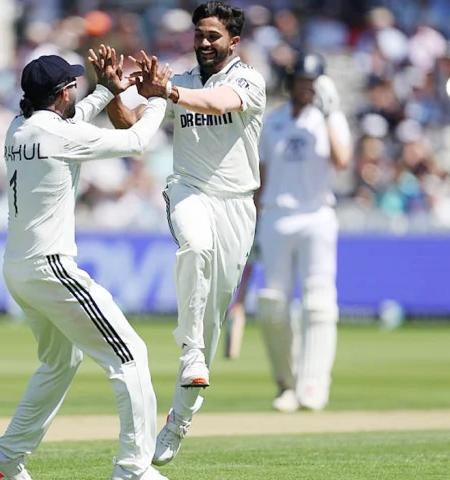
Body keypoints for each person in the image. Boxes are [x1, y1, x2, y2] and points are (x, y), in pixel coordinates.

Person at [0, 50, 172, 480]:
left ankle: (5, 458)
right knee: (131, 355)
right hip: (51, 267)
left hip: (19, 268)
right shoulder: (58, 135)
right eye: (73, 87)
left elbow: (71, 119)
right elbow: (137, 141)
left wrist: (104, 92)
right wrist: (159, 99)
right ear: (63, 93)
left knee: (60, 362)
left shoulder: (19, 128)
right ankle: (134, 468)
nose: (76, 92)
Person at [105, 1, 266, 465]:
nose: (203, 43)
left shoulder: (248, 80)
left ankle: (179, 421)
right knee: (193, 245)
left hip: (237, 204)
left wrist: (167, 93)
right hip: (189, 189)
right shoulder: (181, 78)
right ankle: (190, 350)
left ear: (233, 42)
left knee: (214, 317)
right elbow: (129, 124)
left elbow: (220, 104)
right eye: (199, 34)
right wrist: (116, 92)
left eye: (213, 36)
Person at [228, 52, 352, 413]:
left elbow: (342, 160)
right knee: (272, 305)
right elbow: (260, 180)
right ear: (291, 83)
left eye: (312, 82)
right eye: (301, 81)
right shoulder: (274, 121)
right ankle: (287, 382)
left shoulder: (330, 119)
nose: (306, 88)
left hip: (317, 216)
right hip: (276, 217)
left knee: (318, 302)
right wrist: (252, 224)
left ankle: (314, 384)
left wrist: (330, 115)